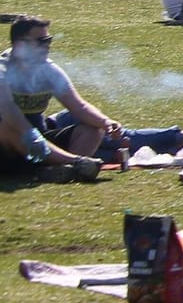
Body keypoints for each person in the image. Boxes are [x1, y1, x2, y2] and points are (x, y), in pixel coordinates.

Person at [0, 17, 118, 181]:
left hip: (41, 143)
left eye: (49, 40)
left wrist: (106, 123)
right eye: (41, 41)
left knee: (93, 128)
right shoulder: (2, 70)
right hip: (9, 146)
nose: (47, 46)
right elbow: (8, 110)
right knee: (5, 127)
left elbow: (79, 106)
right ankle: (76, 163)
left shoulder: (48, 70)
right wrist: (30, 135)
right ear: (20, 45)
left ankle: (61, 170)